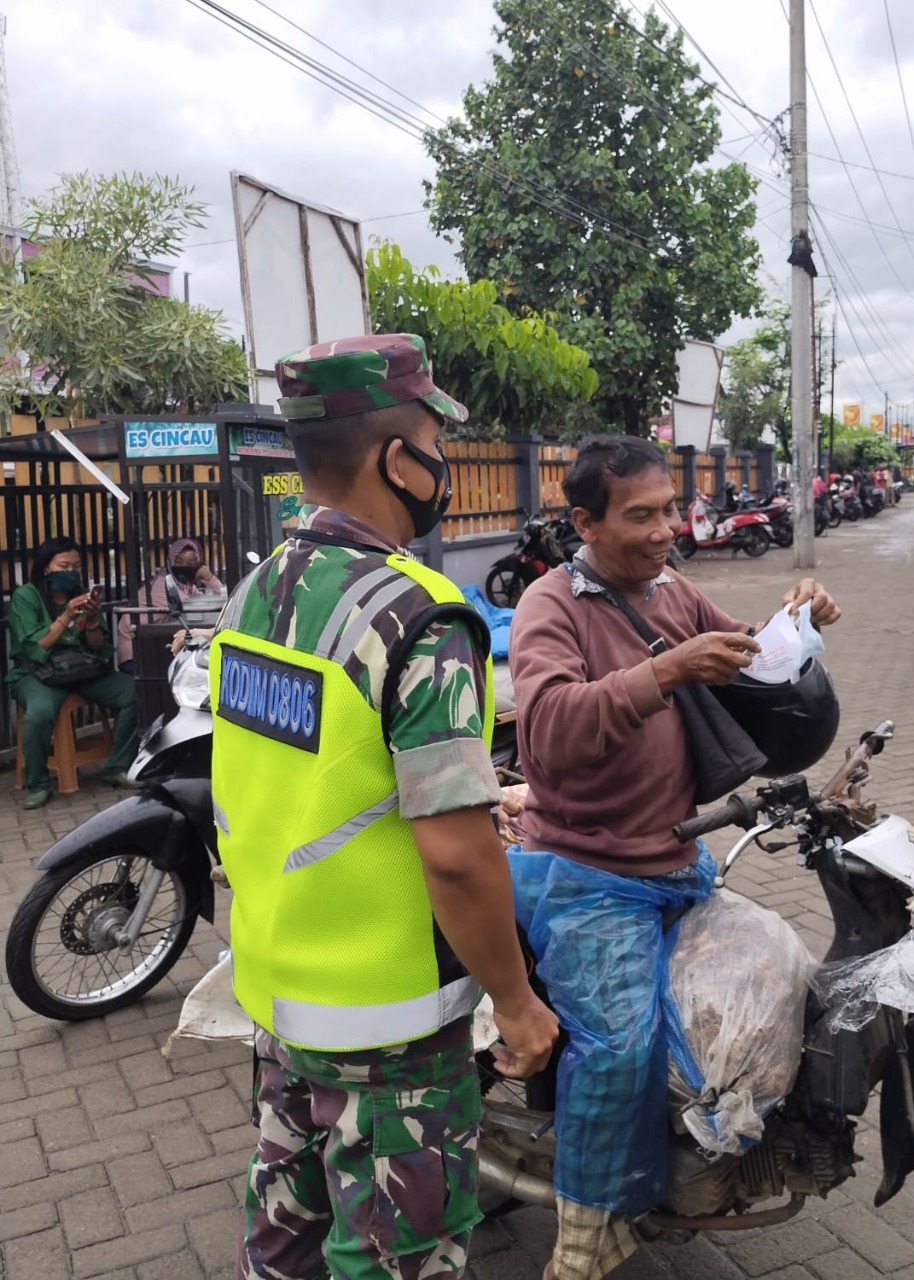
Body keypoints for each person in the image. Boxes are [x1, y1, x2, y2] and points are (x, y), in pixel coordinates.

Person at [211, 333, 558, 1280]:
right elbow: (453, 855)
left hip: (280, 992)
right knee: (394, 1257)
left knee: (284, 1235)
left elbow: (323, 776)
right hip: (391, 1026)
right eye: (434, 446)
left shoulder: (256, 593)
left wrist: (487, 795)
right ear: (398, 459)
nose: (442, 467)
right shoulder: (419, 619)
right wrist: (517, 1005)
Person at [508, 436, 842, 1280]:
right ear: (584, 521)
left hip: (676, 864)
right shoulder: (552, 605)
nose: (667, 530)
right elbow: (545, 730)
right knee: (618, 1047)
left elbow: (749, 662)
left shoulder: (673, 592)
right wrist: (662, 675)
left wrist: (793, 620)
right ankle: (583, 1237)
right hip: (586, 875)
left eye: (671, 510)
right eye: (642, 515)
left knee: (772, 986)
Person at [6, 537, 142, 809]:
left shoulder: (81, 594)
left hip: (80, 669)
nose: (71, 572)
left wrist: (91, 620)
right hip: (37, 674)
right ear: (46, 567)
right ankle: (39, 784)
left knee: (135, 691)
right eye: (64, 565)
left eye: (76, 566)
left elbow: (99, 647)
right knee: (39, 713)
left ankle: (117, 767)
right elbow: (35, 647)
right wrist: (66, 617)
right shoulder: (27, 597)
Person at [116, 537, 224, 672]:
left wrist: (209, 578)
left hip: (152, 647)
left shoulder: (186, 586)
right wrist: (209, 579)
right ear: (170, 562)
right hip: (135, 652)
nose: (185, 566)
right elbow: (189, 607)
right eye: (179, 562)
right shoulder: (164, 583)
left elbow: (218, 600)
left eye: (191, 563)